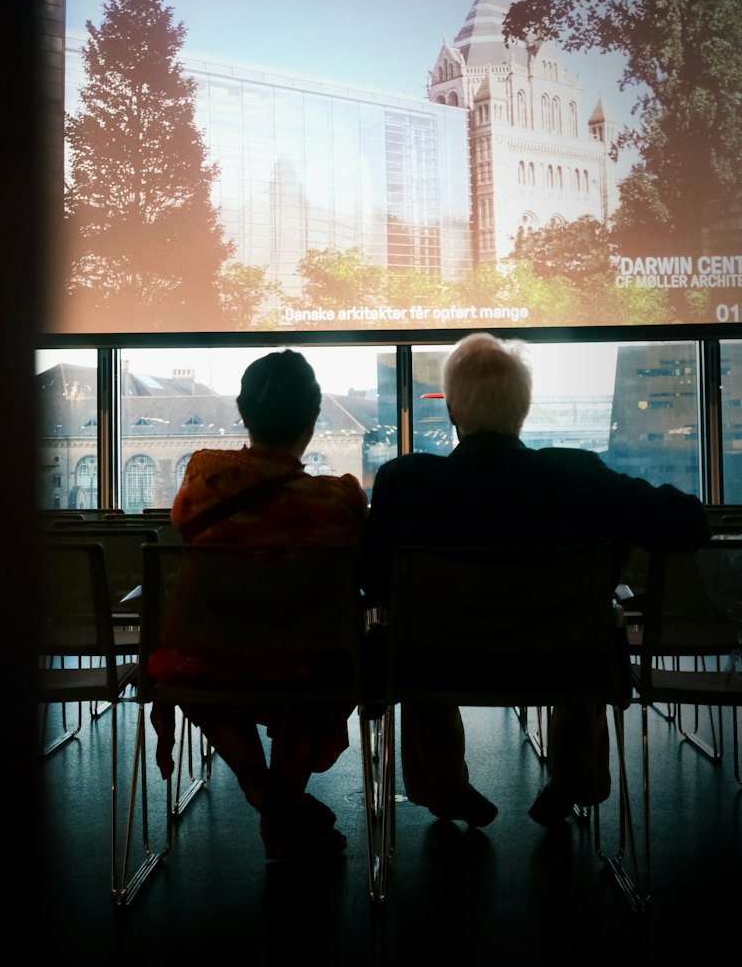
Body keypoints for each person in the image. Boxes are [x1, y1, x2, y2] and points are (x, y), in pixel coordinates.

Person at [361, 332, 711, 829]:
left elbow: (374, 583)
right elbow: (689, 524)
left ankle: (445, 789)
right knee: (586, 641)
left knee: (410, 640)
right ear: (522, 410)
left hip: (437, 667)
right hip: (564, 666)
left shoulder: (404, 483)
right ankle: (573, 782)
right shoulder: (576, 475)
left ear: (454, 412)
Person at [150, 350, 368, 862]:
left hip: (205, 664)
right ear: (314, 418)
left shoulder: (201, 486)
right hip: (308, 667)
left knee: (205, 669)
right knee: (312, 671)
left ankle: (262, 792)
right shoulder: (337, 503)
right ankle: (284, 801)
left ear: (243, 413)